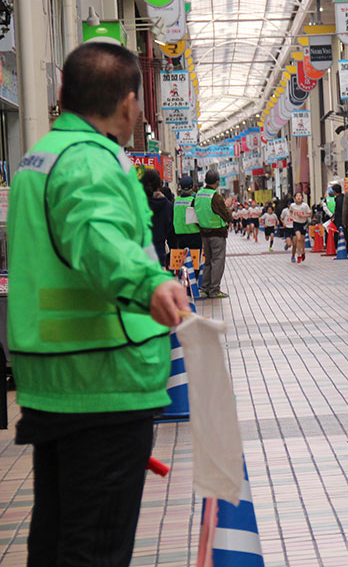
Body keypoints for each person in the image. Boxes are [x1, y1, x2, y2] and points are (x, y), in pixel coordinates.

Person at [7, 42, 189, 566]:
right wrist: (150, 283)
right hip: (102, 380)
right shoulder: (89, 162)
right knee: (94, 550)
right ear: (129, 102)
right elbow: (97, 236)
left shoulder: (43, 156)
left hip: (59, 377)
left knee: (61, 538)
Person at [195, 169, 233, 299]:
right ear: (217, 182)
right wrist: (228, 208)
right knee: (217, 261)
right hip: (217, 233)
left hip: (204, 233)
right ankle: (214, 290)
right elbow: (226, 215)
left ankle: (205, 288)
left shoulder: (198, 194)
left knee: (207, 262)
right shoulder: (215, 197)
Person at [140, 168, 173, 269]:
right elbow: (170, 231)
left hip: (138, 255)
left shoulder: (136, 204)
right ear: (159, 186)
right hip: (158, 255)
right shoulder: (167, 205)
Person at [172, 176, 202, 277]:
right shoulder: (194, 200)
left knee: (181, 260)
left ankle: (182, 279)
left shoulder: (175, 201)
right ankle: (193, 282)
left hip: (179, 235)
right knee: (194, 261)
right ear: (192, 187)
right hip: (193, 234)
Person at [289, 192, 312, 263]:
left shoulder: (305, 206)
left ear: (302, 198)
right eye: (297, 196)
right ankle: (298, 255)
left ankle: (303, 252)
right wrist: (291, 217)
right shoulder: (292, 205)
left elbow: (310, 214)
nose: (298, 197)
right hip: (296, 223)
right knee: (298, 238)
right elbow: (290, 211)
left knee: (302, 240)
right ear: (294, 198)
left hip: (303, 224)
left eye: (300, 196)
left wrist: (303, 216)